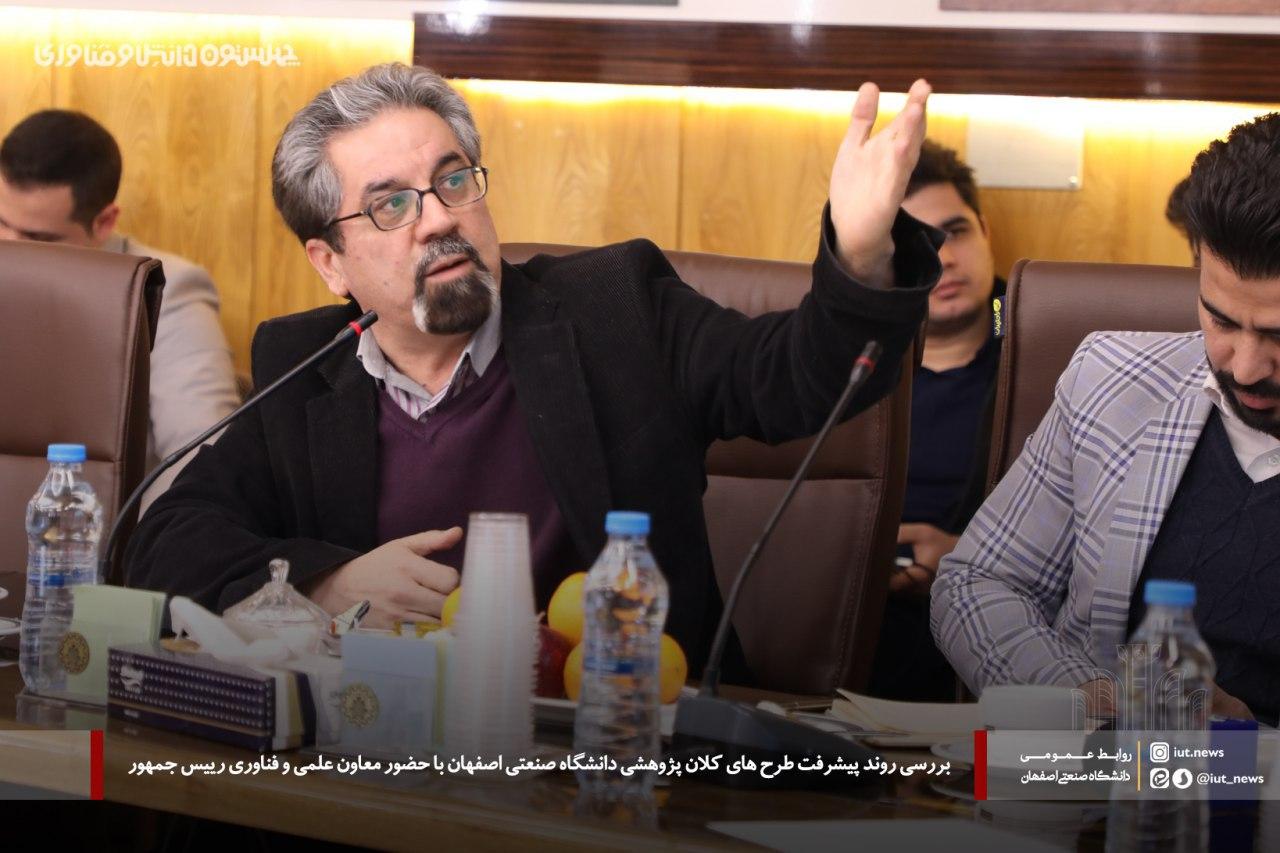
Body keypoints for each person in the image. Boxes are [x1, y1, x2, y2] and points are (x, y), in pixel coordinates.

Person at [124, 63, 943, 677]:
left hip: (618, 747)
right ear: (330, 261)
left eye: (452, 180)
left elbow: (796, 377)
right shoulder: (305, 371)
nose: (437, 218)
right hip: (382, 766)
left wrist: (861, 254)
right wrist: (326, 584)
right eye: (391, 204)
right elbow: (163, 544)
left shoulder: (616, 312)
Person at [932, 112, 1280, 722]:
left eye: (1278, 335)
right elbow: (976, 584)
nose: (1246, 368)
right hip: (1097, 769)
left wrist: (1253, 748)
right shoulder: (1109, 379)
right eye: (1221, 320)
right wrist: (1090, 700)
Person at [0, 110, 240, 508]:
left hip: (96, 535)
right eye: (1, 223)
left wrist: (135, 540)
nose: (10, 250)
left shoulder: (166, 289)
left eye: (38, 238)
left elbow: (201, 455)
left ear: (105, 221)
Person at [868, 141, 1003, 700]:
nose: (944, 258)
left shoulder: (1044, 356)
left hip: (997, 634)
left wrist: (963, 559)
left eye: (956, 232)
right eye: (917, 244)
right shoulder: (855, 368)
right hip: (860, 622)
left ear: (985, 232)